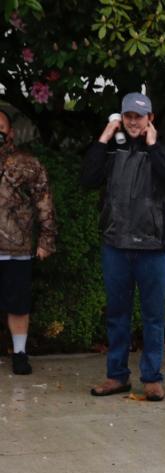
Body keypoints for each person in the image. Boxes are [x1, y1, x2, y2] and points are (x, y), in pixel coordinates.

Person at [81, 93, 165, 401]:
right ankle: (117, 376)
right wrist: (104, 136)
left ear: (150, 118)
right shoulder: (112, 152)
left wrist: (153, 147)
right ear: (121, 118)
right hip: (115, 244)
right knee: (117, 313)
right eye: (128, 116)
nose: (133, 122)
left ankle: (152, 377)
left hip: (153, 247)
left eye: (139, 116)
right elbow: (87, 178)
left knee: (153, 315)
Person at [0, 108, 56, 375]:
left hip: (16, 247)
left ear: (10, 131)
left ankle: (20, 353)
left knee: (18, 304)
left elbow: (44, 202)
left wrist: (46, 239)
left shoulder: (28, 163)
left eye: (1, 126)